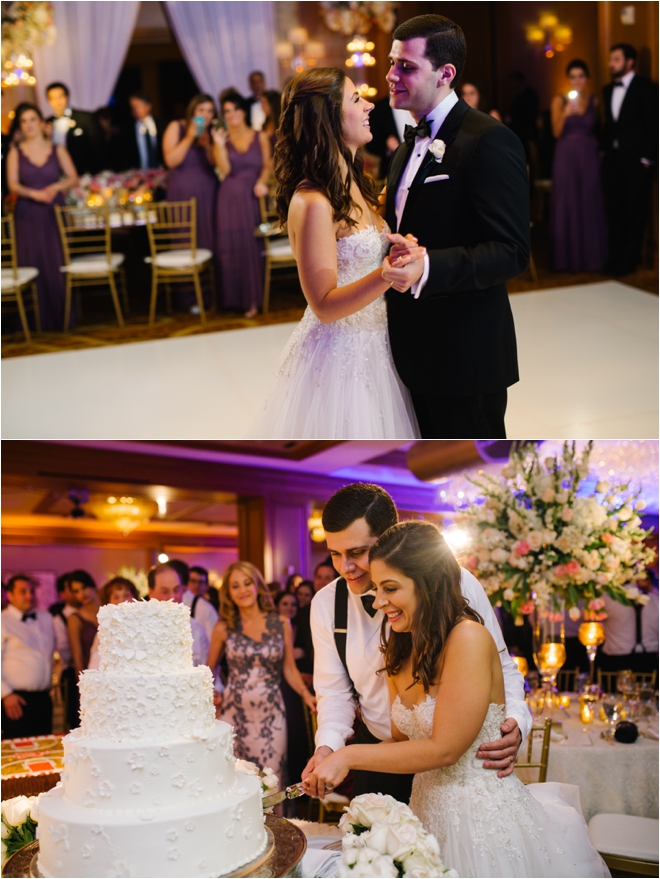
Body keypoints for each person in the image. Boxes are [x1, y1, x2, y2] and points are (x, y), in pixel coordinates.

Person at [307, 521, 610, 878]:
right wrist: (329, 755)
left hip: (480, 820)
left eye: (390, 588)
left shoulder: (468, 637)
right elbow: (402, 740)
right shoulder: (399, 647)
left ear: (429, 584)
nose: (378, 601)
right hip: (425, 816)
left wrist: (350, 756)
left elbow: (445, 749)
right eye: (376, 588)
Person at [302, 483, 531, 804]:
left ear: (388, 538)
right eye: (335, 554)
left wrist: (516, 723)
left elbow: (501, 665)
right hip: (380, 755)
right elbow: (334, 694)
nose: (344, 568)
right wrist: (329, 747)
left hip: (463, 767)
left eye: (356, 553)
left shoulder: (457, 583)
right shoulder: (326, 604)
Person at [246, 67, 424, 439]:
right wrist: (386, 273)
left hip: (379, 344)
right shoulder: (312, 202)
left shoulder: (354, 183)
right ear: (327, 118)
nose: (370, 105)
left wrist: (396, 247)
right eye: (356, 99)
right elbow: (324, 305)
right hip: (342, 357)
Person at [384, 14, 529, 439]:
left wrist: (428, 266)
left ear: (445, 73)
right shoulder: (405, 147)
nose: (391, 75)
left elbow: (511, 250)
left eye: (406, 66)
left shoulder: (489, 140)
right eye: (393, 63)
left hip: (466, 355)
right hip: (412, 350)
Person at [207, 562, 316, 785]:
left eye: (247, 583)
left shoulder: (281, 624)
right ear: (228, 593)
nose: (243, 590)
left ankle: (272, 822)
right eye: (235, 586)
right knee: (235, 779)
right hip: (234, 715)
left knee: (271, 779)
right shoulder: (223, 627)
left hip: (271, 715)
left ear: (257, 586)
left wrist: (307, 696)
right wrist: (213, 694)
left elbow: (289, 668)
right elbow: (208, 673)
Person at [6, 102, 78, 330]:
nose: (28, 125)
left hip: (54, 210)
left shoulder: (58, 149)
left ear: (42, 123)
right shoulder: (15, 152)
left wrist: (55, 188)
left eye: (32, 119)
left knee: (57, 262)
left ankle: (62, 316)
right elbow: (12, 185)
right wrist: (33, 194)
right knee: (32, 260)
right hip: (27, 214)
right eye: (23, 121)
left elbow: (72, 177)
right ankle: (35, 321)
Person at [213, 91, 272, 318]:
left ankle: (253, 300)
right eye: (227, 111)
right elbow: (225, 171)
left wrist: (261, 182)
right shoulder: (222, 139)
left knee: (251, 245)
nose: (232, 114)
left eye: (235, 109)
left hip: (252, 195)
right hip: (228, 198)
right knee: (230, 246)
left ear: (243, 111)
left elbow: (267, 165)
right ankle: (232, 300)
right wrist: (218, 145)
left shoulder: (260, 136)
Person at [602, 43, 658, 276]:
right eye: (610, 59)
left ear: (630, 61)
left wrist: (647, 159)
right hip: (613, 161)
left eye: (615, 59)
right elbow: (610, 126)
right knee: (615, 211)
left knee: (636, 213)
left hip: (637, 162)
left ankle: (629, 262)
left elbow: (654, 125)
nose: (610, 64)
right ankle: (615, 259)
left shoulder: (647, 88)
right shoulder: (607, 90)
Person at [549, 59, 607, 272]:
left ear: (587, 78)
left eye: (581, 76)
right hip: (566, 154)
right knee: (568, 200)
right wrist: (565, 114)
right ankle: (567, 260)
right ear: (568, 79)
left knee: (589, 200)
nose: (577, 80)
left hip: (588, 155)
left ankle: (592, 259)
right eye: (573, 76)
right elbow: (556, 133)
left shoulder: (595, 101)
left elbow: (599, 129)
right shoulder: (559, 100)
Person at [163, 93, 219, 311]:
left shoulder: (212, 133)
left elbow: (217, 164)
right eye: (201, 110)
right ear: (193, 111)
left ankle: (210, 296)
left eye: (209, 111)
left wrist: (207, 145)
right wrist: (189, 137)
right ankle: (189, 298)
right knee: (185, 240)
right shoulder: (176, 127)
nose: (205, 115)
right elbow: (170, 161)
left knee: (209, 239)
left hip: (208, 190)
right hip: (182, 193)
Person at [1, 575, 56, 739]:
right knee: (18, 750)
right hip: (15, 698)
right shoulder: (2, 621)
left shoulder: (46, 617)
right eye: (22, 592)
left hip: (43, 698)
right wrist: (6, 694)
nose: (29, 596)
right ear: (10, 595)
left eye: (32, 591)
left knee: (44, 745)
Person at [597, 573, 659, 679]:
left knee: (614, 694)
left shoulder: (608, 600)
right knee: (647, 694)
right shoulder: (655, 600)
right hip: (649, 660)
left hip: (616, 661)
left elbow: (587, 618)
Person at [147, 562, 209, 667]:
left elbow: (207, 672)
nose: (173, 597)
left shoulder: (196, 628)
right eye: (165, 592)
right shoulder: (139, 629)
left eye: (176, 590)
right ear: (151, 593)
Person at [45, 81, 103, 175]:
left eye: (60, 97)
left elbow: (98, 147)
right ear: (49, 101)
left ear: (67, 96)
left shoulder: (86, 118)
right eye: (53, 98)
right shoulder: (46, 123)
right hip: (56, 174)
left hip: (84, 174)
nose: (57, 101)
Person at [49, 572, 81, 730]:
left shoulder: (94, 611)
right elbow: (64, 651)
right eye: (74, 590)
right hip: (71, 672)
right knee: (74, 719)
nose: (79, 594)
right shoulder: (59, 618)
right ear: (62, 594)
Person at [88, 576, 138, 670]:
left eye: (126, 595)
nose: (122, 601)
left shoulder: (145, 625)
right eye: (116, 597)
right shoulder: (104, 631)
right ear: (108, 602)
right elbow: (95, 664)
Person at [366, 95, 413, 180]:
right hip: (392, 172)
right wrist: (387, 146)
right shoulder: (378, 108)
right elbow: (371, 145)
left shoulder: (420, 103)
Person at [66, 570, 100, 675]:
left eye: (84, 587)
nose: (82, 593)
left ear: (92, 585)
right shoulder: (75, 618)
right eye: (76, 591)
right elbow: (77, 657)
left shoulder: (109, 610)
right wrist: (82, 684)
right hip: (91, 672)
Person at [179, 560, 219, 642]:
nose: (196, 586)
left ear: (207, 586)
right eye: (193, 581)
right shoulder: (178, 601)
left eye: (200, 582)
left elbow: (213, 639)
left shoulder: (207, 608)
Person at [122, 92, 164, 170]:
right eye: (132, 107)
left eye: (137, 106)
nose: (134, 110)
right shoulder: (127, 129)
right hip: (138, 174)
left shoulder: (162, 125)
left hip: (161, 172)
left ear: (148, 106)